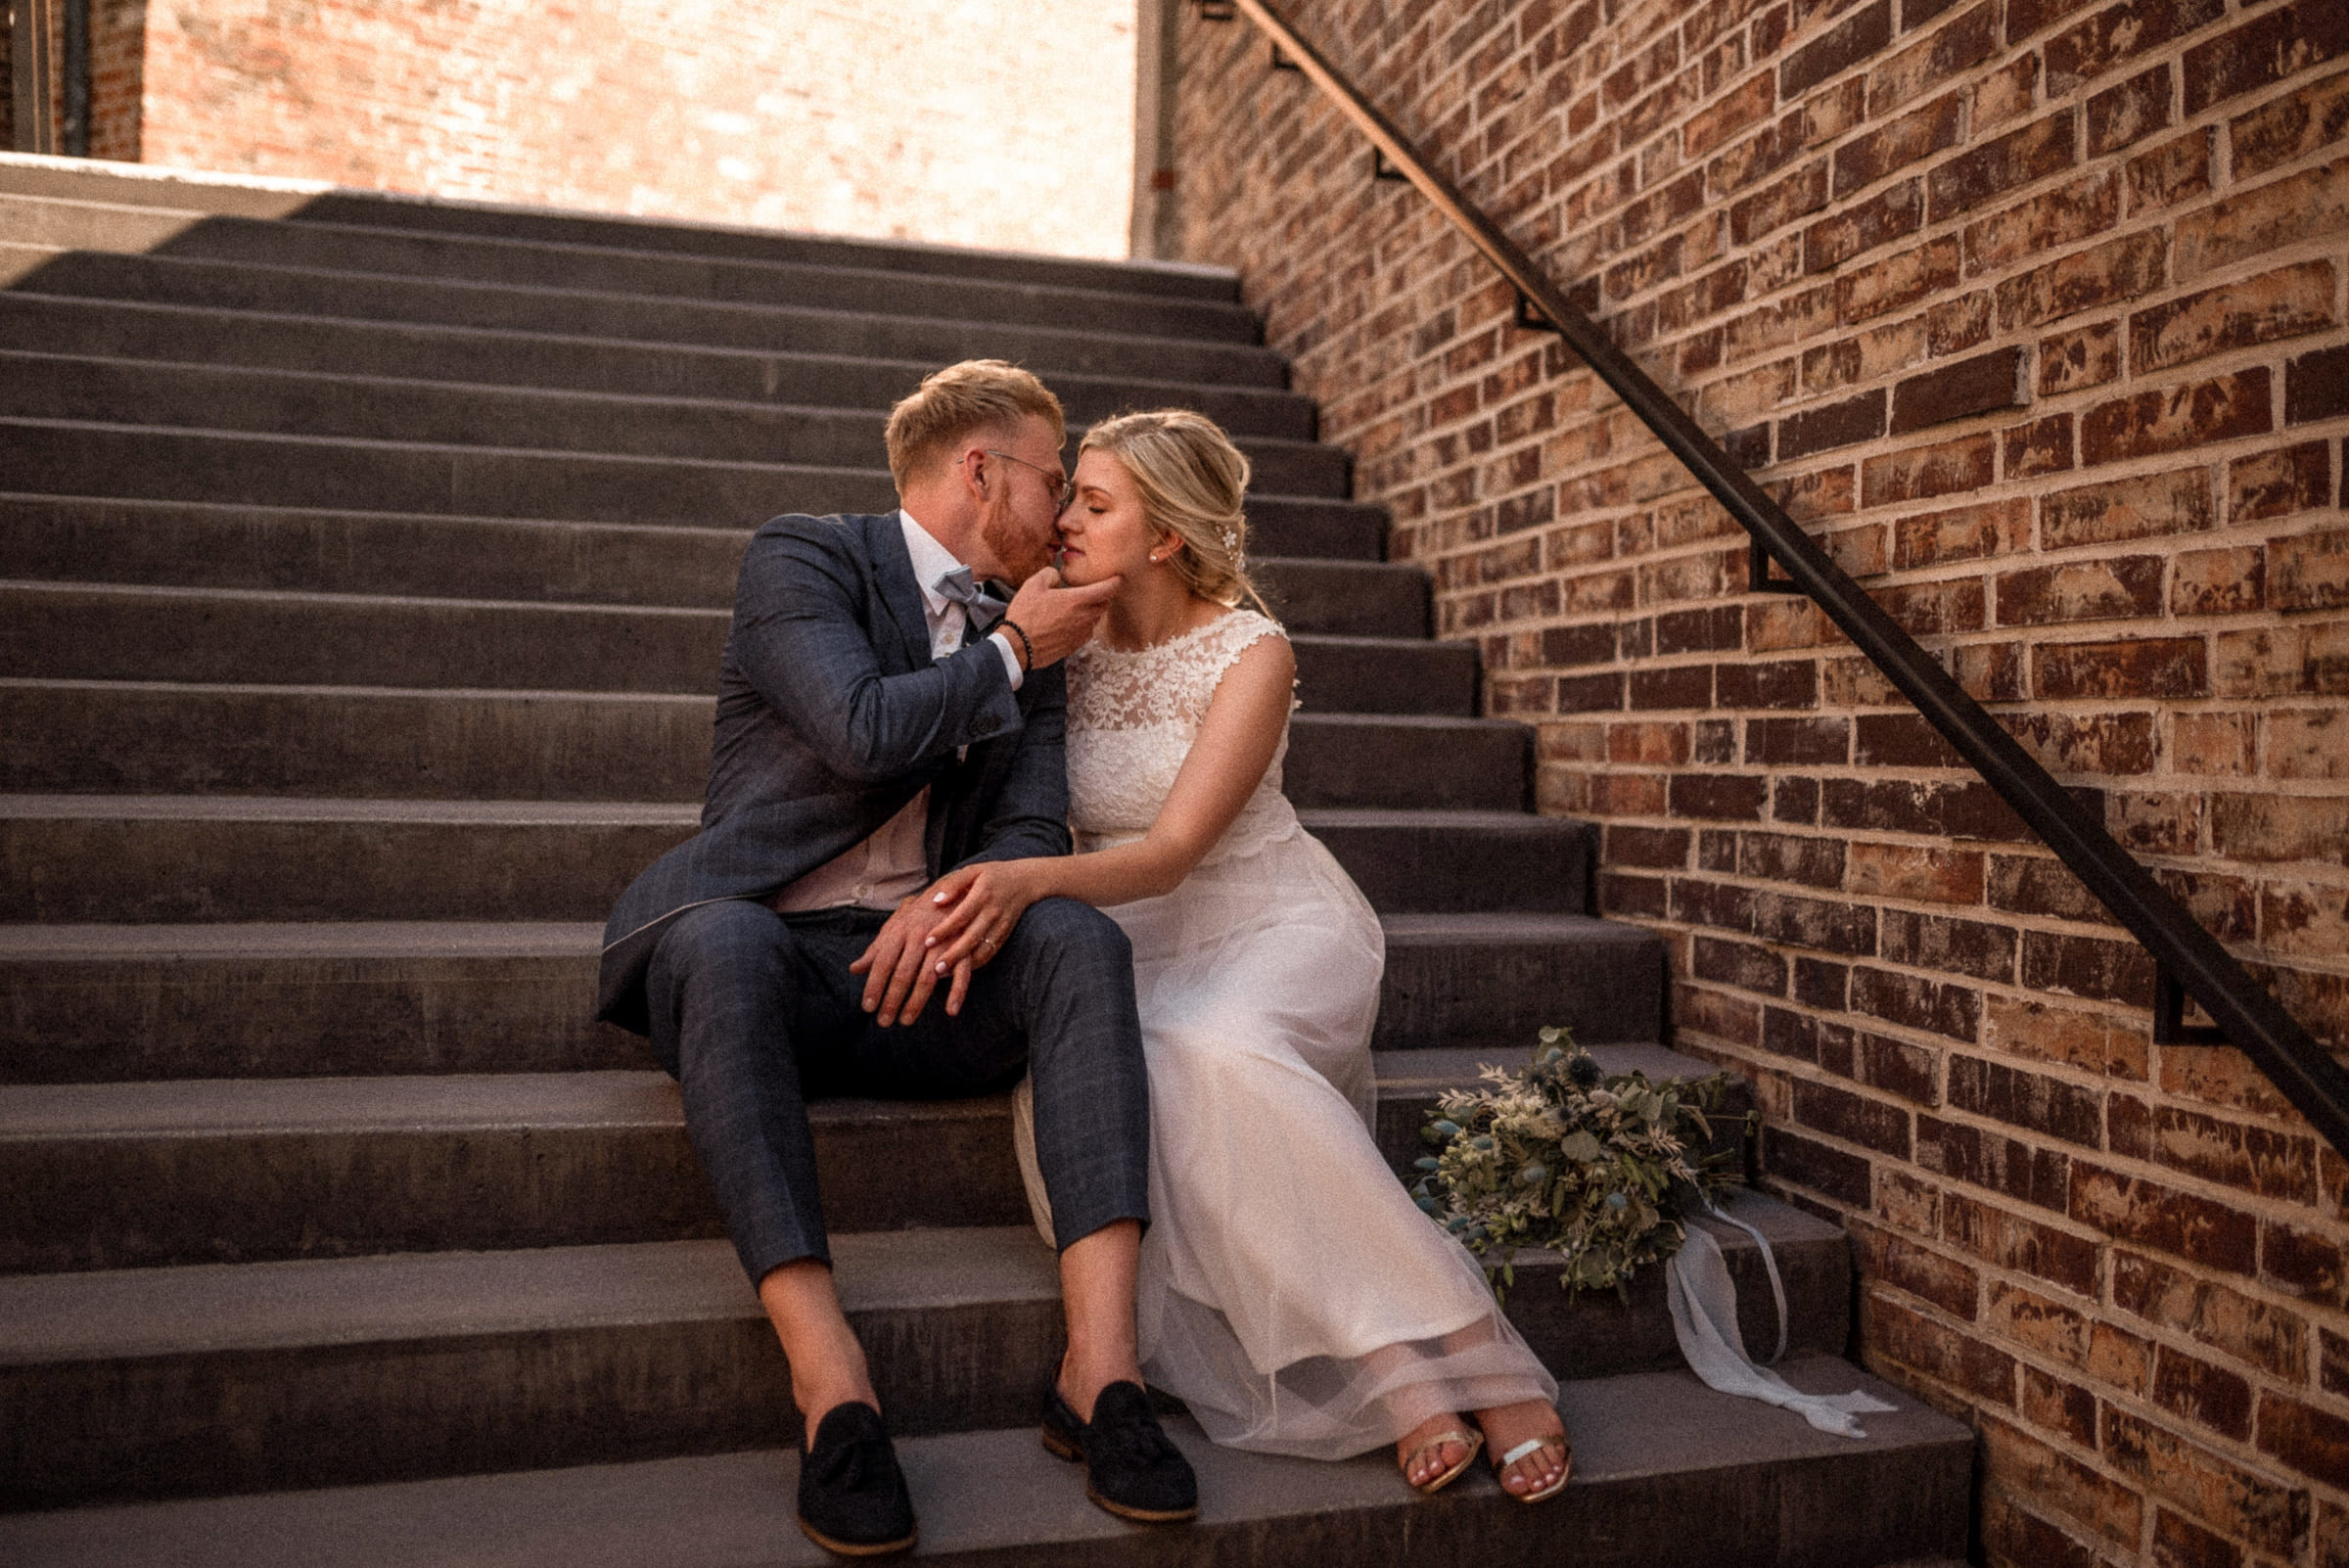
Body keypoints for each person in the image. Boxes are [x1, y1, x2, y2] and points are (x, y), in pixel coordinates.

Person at [594, 362, 1198, 1557]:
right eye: (1050, 475)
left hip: (934, 965)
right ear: (981, 470)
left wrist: (963, 898)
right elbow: (860, 727)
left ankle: (1103, 1377)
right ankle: (836, 1395)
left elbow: (1031, 825)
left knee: (1075, 929)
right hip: (775, 957)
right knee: (720, 942)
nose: (1065, 503)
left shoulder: (1034, 624)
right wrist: (1013, 651)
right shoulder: (805, 558)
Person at [917, 409, 1573, 1503]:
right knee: (1152, 1060)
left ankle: (1482, 1360)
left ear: (1167, 535)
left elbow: (1173, 851)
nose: (1065, 518)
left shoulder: (1251, 650)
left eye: (1095, 502)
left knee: (1217, 1049)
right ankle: (1408, 1368)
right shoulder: (1051, 644)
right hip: (1120, 941)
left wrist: (1023, 883)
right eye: (1068, 492)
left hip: (1270, 919)